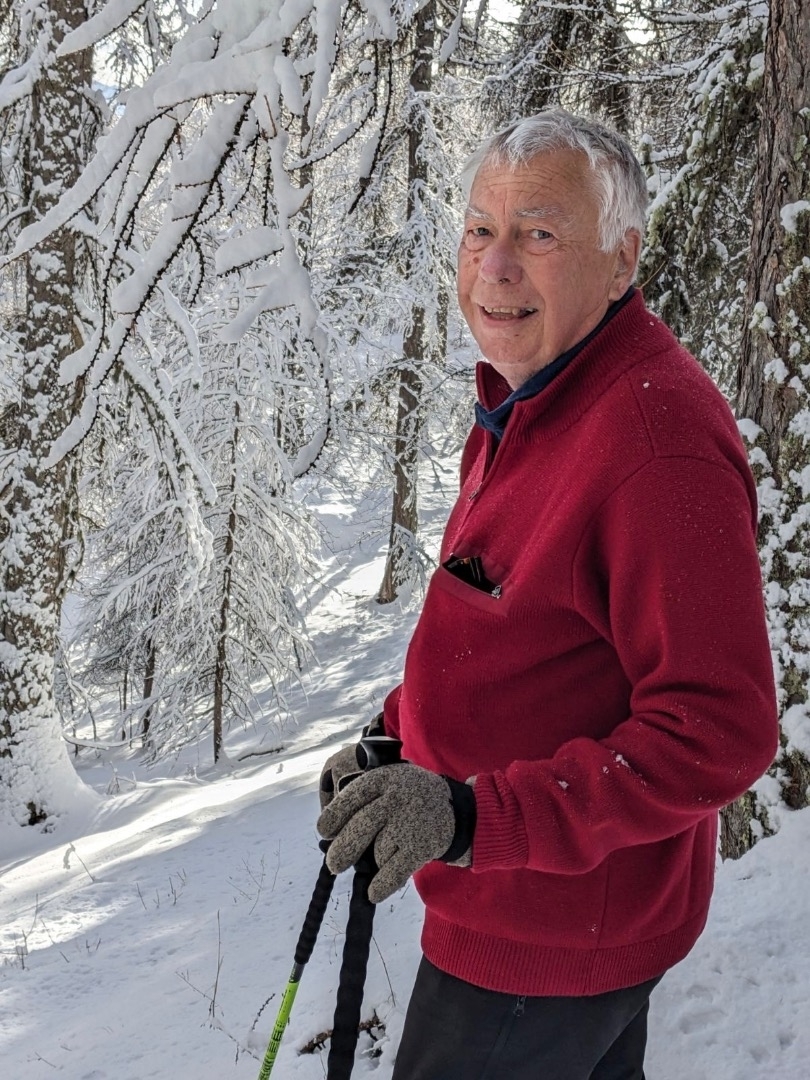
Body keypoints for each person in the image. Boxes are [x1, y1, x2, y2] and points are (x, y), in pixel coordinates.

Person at [316, 108, 779, 1080]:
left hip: (548, 944)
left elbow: (720, 729)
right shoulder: (528, 395)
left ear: (622, 259)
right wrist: (397, 736)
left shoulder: (656, 447)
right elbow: (512, 629)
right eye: (481, 229)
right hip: (528, 912)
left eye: (539, 234)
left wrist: (470, 817)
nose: (495, 266)